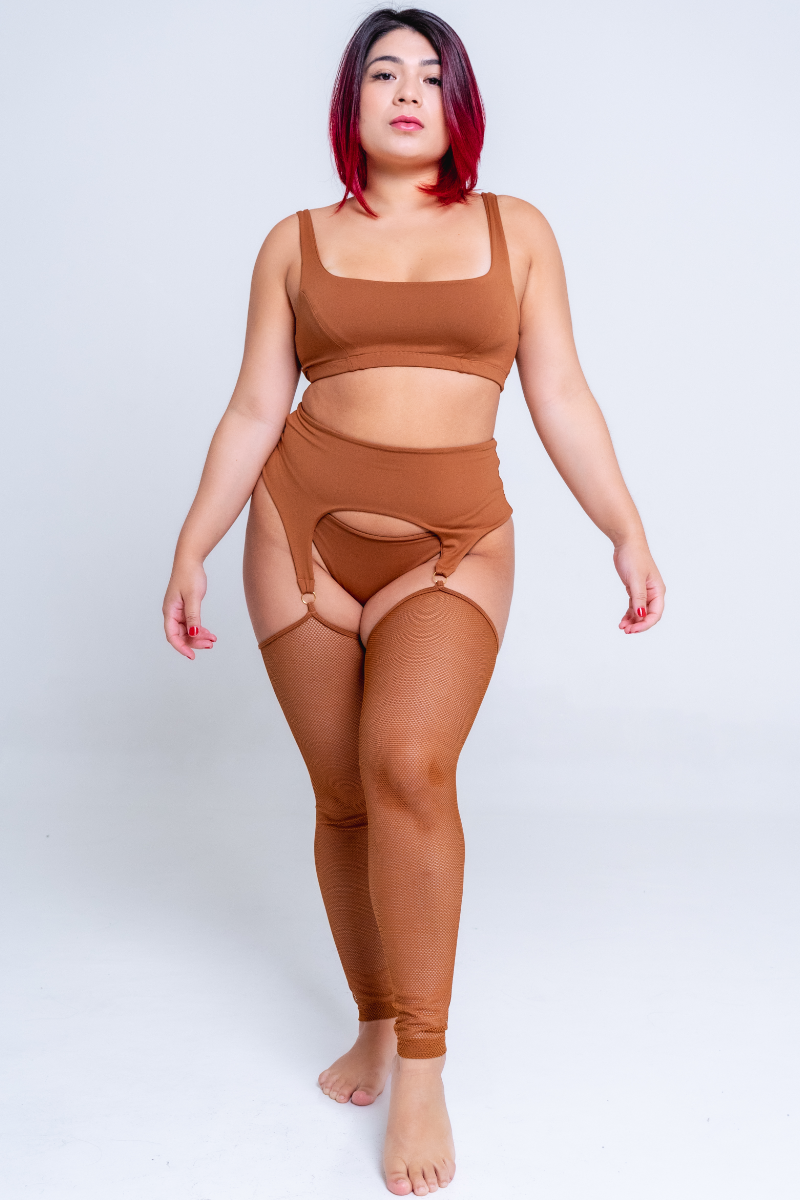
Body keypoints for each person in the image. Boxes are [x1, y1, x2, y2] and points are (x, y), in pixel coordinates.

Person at [162, 7, 665, 1195]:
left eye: (429, 77)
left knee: (405, 765)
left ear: (458, 105)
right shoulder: (292, 243)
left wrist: (623, 527)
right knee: (344, 799)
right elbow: (253, 407)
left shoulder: (514, 230)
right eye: (381, 73)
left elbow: (560, 394)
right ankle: (376, 1020)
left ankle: (424, 1069)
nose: (404, 91)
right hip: (299, 531)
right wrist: (191, 545)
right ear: (350, 103)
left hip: (451, 543)